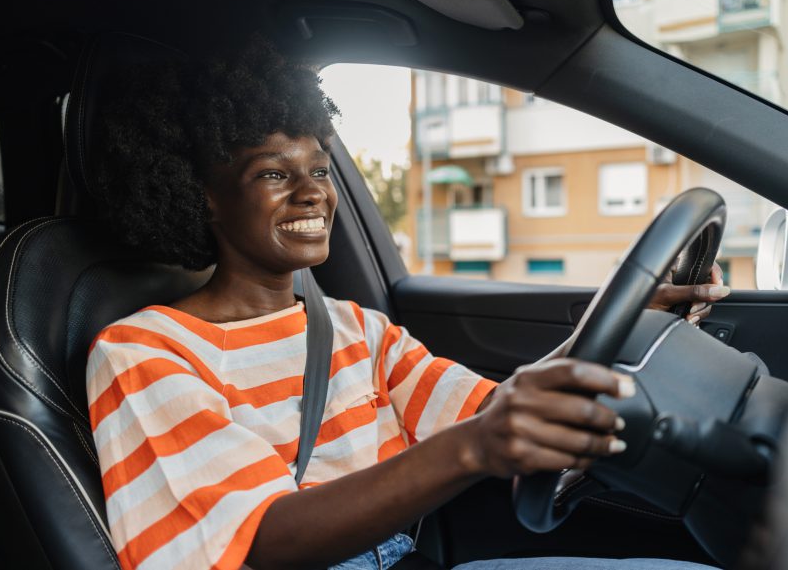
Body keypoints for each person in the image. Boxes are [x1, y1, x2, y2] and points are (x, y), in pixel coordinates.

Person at [86, 39, 729, 570]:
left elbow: (492, 411)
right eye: (274, 174)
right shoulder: (145, 351)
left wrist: (633, 325)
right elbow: (259, 540)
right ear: (203, 197)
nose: (313, 194)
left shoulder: (355, 329)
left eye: (320, 169)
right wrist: (474, 448)